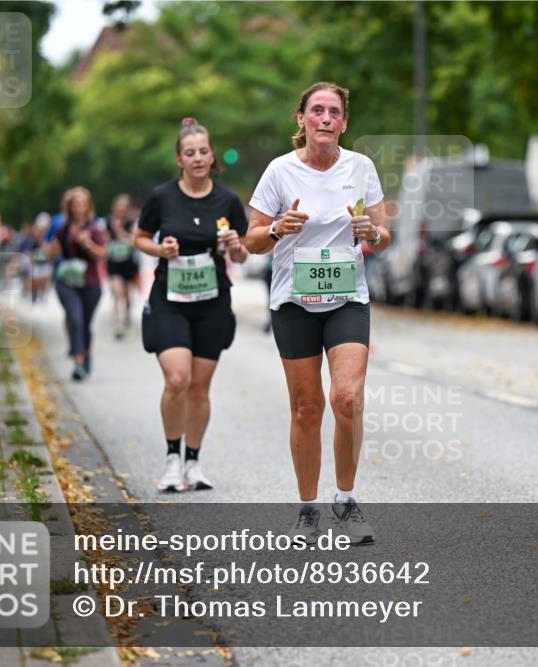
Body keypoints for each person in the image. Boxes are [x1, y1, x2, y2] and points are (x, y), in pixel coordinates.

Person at [245, 82, 388, 544]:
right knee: (307, 408)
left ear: (344, 122)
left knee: (347, 399)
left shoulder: (360, 167)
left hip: (347, 298)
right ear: (302, 119)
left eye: (334, 112)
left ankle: (345, 500)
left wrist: (372, 231)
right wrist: (276, 228)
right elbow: (250, 241)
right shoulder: (279, 172)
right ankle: (307, 510)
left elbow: (382, 232)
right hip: (294, 303)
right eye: (317, 111)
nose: (325, 119)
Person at [134, 118, 248, 493]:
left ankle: (194, 462)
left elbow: (245, 254)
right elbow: (140, 237)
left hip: (212, 301)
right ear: (179, 159)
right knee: (177, 378)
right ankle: (171, 459)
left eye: (203, 151)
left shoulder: (227, 200)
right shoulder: (162, 197)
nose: (198, 158)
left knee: (199, 388)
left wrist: (234, 246)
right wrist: (159, 249)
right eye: (190, 153)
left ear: (212, 156)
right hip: (170, 298)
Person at [46, 186, 108, 381]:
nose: (79, 208)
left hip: (90, 283)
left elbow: (102, 254)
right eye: (75, 204)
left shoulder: (95, 228)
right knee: (75, 319)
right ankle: (78, 362)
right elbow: (51, 250)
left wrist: (87, 243)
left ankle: (87, 353)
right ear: (69, 207)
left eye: (83, 204)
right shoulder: (62, 228)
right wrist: (51, 250)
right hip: (66, 281)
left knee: (85, 324)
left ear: (88, 206)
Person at [106, 194, 139, 340]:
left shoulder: (131, 222)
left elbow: (135, 241)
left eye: (124, 206)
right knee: (117, 293)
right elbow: (103, 240)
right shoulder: (107, 221)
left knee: (126, 294)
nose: (121, 208)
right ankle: (117, 325)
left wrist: (121, 233)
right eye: (119, 205)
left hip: (128, 262)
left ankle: (127, 314)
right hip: (113, 262)